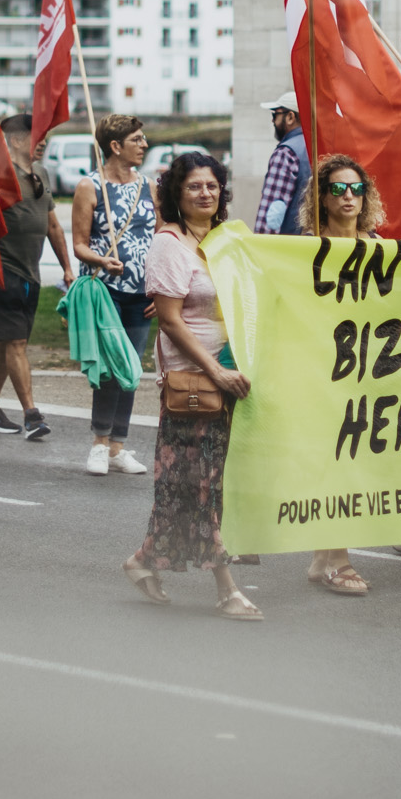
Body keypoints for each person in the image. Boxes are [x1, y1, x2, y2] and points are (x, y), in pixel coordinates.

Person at [122, 152, 260, 619]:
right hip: (195, 378)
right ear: (177, 195)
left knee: (195, 482)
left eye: (212, 186)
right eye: (194, 186)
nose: (205, 193)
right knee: (200, 482)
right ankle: (226, 588)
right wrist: (214, 371)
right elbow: (170, 320)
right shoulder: (169, 243)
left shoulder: (226, 241)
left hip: (234, 371)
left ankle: (143, 560)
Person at [299, 154, 384, 593]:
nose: (348, 196)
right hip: (323, 370)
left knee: (353, 461)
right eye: (337, 189)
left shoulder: (378, 245)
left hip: (369, 370)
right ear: (322, 198)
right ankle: (339, 562)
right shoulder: (307, 248)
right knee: (336, 461)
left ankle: (321, 557)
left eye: (356, 188)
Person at [0, 115, 75, 442]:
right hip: (4, 274)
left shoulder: (41, 174)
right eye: (36, 137)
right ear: (16, 141)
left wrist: (67, 268)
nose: (43, 141)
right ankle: (32, 415)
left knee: (7, 343)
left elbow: (53, 226)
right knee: (15, 342)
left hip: (31, 274)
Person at [70, 112, 156, 475]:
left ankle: (118, 447)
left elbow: (163, 237)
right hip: (105, 293)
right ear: (115, 146)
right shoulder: (89, 187)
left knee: (131, 368)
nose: (145, 145)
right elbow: (79, 245)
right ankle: (99, 443)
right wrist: (102, 261)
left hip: (141, 293)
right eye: (137, 139)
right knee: (109, 368)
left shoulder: (150, 186)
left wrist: (161, 288)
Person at [255, 92, 310, 235]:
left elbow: (272, 215)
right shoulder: (317, 147)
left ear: (290, 117)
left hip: (288, 246)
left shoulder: (286, 152)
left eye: (275, 115)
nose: (273, 121)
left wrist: (261, 248)